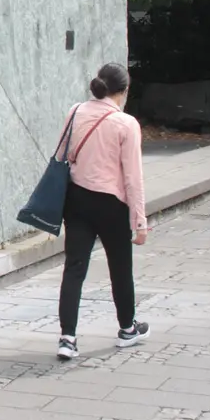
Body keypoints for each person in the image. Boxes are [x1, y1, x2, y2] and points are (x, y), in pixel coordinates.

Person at [56, 62, 150, 360]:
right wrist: (140, 222)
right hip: (112, 204)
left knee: (74, 268)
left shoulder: (75, 112)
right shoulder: (126, 124)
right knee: (120, 268)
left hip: (77, 199)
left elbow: (61, 154)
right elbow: (133, 177)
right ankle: (127, 329)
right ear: (124, 90)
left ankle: (67, 338)